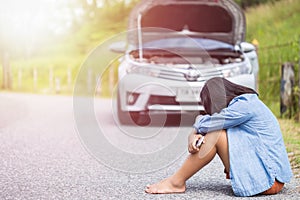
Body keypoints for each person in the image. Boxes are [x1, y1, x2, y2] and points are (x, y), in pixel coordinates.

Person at [145, 77, 293, 197]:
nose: (213, 112)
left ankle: (176, 182)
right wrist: (196, 132)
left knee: (215, 134)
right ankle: (175, 181)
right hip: (270, 178)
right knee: (216, 131)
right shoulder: (248, 103)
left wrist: (193, 132)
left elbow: (212, 122)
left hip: (269, 181)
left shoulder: (245, 105)